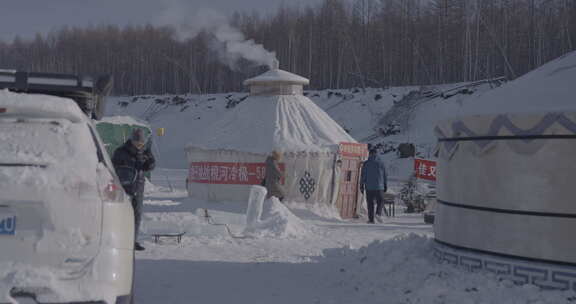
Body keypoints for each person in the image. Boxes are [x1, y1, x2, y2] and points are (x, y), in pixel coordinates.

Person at [112, 129, 155, 251]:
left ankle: (133, 241)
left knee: (137, 215)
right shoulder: (121, 152)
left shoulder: (145, 151)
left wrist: (149, 162)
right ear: (132, 140)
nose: (140, 145)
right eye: (137, 143)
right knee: (123, 214)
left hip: (139, 186)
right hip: (124, 187)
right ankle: (119, 239)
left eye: (142, 143)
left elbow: (151, 165)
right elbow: (113, 166)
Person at [360, 149, 388, 224]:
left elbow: (363, 176)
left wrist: (361, 185)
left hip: (369, 187)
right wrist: (385, 184)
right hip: (379, 187)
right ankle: (378, 213)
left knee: (370, 204)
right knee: (381, 201)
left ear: (369, 154)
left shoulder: (366, 163)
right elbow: (385, 175)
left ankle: (371, 219)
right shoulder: (381, 163)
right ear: (376, 154)